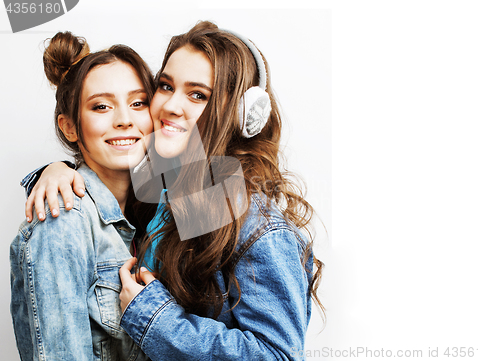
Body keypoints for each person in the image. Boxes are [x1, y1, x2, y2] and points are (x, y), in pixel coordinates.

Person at [22, 21, 324, 360]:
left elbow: (278, 355)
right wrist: (55, 171)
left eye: (198, 95)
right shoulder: (168, 198)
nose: (170, 106)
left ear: (241, 114)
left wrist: (155, 316)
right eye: (165, 86)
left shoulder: (258, 228)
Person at [10, 31, 156, 360]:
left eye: (137, 103)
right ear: (70, 127)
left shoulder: (155, 210)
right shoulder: (62, 220)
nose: (124, 120)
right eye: (101, 106)